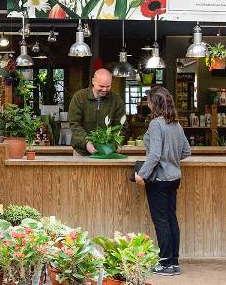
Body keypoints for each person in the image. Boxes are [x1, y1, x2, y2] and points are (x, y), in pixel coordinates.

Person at [134, 86, 190, 276]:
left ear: (153, 103)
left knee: (162, 222)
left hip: (158, 180)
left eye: (149, 100)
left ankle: (165, 264)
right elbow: (186, 151)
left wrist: (141, 174)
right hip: (174, 178)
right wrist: (171, 160)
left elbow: (155, 154)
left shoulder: (156, 124)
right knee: (171, 219)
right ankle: (173, 261)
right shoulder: (176, 124)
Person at [68, 68, 125, 155]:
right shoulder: (79, 97)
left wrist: (117, 142)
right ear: (93, 81)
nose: (105, 89)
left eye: (108, 86)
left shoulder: (116, 100)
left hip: (108, 151)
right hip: (82, 150)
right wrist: (86, 142)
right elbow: (74, 124)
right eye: (101, 86)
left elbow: (121, 126)